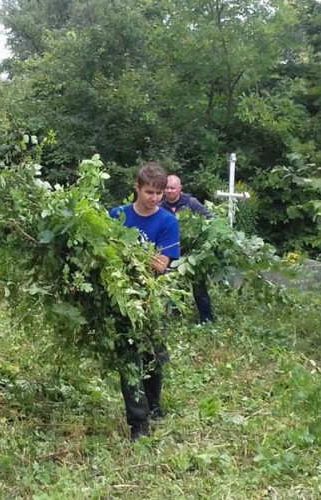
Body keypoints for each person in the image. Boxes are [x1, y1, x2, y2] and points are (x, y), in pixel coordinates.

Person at [109, 162, 181, 441]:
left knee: (154, 357)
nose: (155, 198)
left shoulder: (167, 222)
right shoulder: (117, 216)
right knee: (129, 359)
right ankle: (138, 423)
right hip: (121, 297)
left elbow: (161, 265)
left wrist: (126, 251)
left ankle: (153, 404)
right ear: (137, 188)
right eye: (149, 192)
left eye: (159, 193)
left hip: (153, 298)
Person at [161, 174, 215, 323]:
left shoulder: (191, 203)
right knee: (174, 288)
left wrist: (200, 236)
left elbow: (210, 219)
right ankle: (177, 321)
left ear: (180, 189)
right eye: (167, 188)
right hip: (172, 254)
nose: (169, 191)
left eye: (172, 188)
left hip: (193, 254)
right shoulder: (160, 207)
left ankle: (207, 320)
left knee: (199, 289)